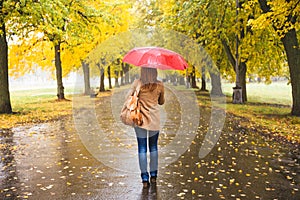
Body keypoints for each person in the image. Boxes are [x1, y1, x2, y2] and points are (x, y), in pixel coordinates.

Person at [127, 67, 165, 188]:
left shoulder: (137, 83)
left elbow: (129, 98)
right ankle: (154, 175)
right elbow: (161, 102)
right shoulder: (159, 85)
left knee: (142, 148)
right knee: (153, 147)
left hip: (140, 120)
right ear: (155, 71)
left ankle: (144, 178)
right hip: (154, 120)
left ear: (142, 71)